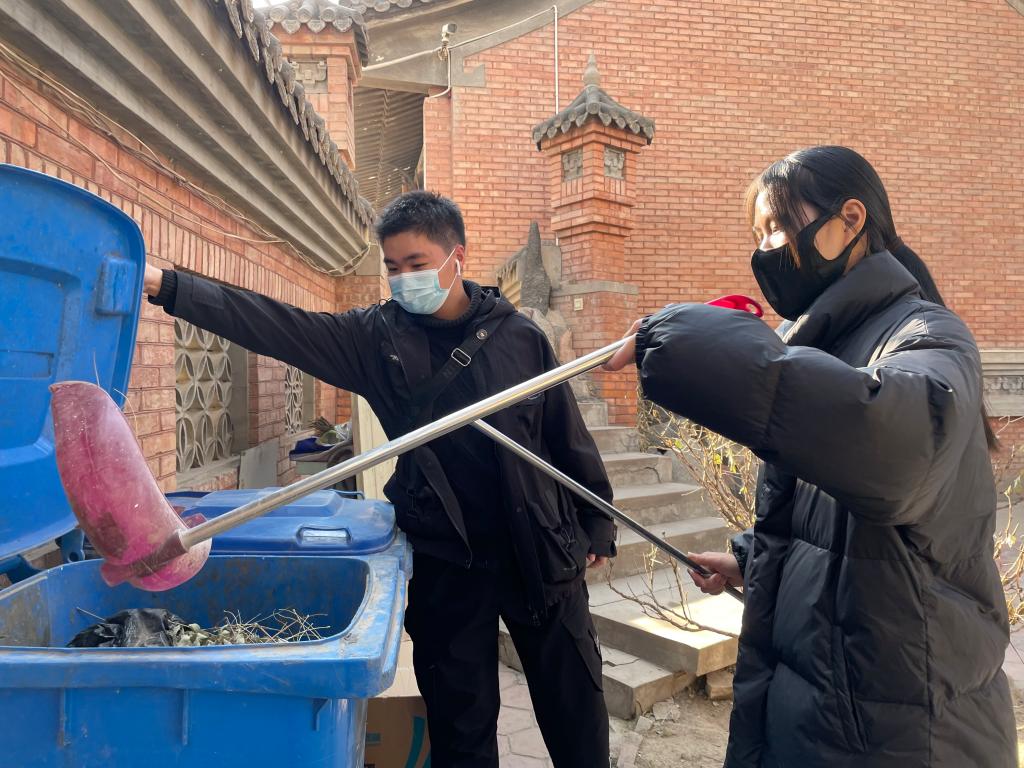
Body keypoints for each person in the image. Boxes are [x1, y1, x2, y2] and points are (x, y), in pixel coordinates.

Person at [143, 191, 615, 767]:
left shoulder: (519, 337)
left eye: (417, 264)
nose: (403, 279)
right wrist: (169, 287)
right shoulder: (374, 340)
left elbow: (566, 435)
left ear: (456, 257)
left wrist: (597, 521)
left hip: (539, 548)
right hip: (448, 561)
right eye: (393, 267)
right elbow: (275, 325)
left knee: (576, 717)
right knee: (461, 728)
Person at [604, 146, 1016, 767]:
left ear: (850, 219)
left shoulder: (927, 335)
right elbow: (834, 516)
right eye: (756, 234)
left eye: (776, 227)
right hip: (822, 713)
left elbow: (891, 450)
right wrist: (754, 560)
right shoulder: (828, 345)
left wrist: (680, 338)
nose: (765, 249)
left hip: (900, 729)